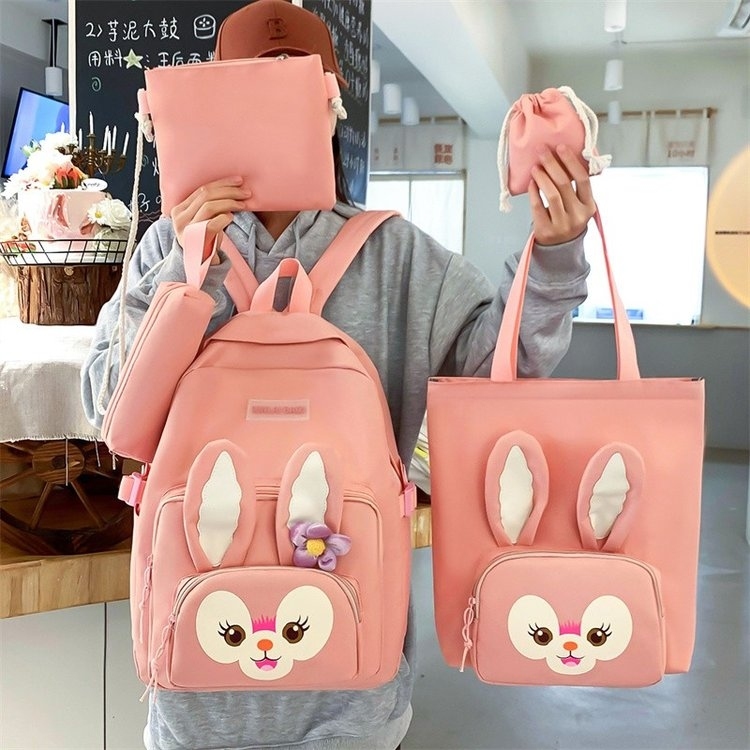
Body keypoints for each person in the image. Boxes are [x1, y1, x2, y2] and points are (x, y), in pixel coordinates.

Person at [81, 2, 594, 748]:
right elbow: (107, 409)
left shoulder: (398, 255)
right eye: (248, 91)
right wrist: (180, 262)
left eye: (293, 90)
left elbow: (497, 379)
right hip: (199, 691)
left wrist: (554, 259)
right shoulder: (169, 246)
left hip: (350, 696)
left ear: (332, 104)